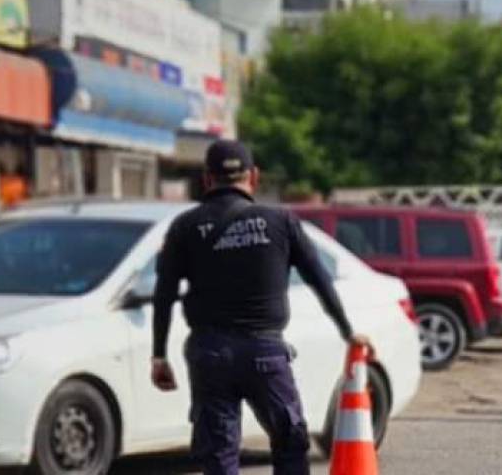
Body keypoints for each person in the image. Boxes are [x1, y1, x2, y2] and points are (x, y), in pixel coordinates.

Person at [151, 140, 371, 475]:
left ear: (207, 179)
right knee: (290, 442)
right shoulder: (281, 222)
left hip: (210, 354)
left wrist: (159, 355)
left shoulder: (184, 227)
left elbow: (164, 294)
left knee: (219, 453)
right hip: (265, 353)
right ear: (254, 177)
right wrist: (348, 332)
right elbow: (319, 280)